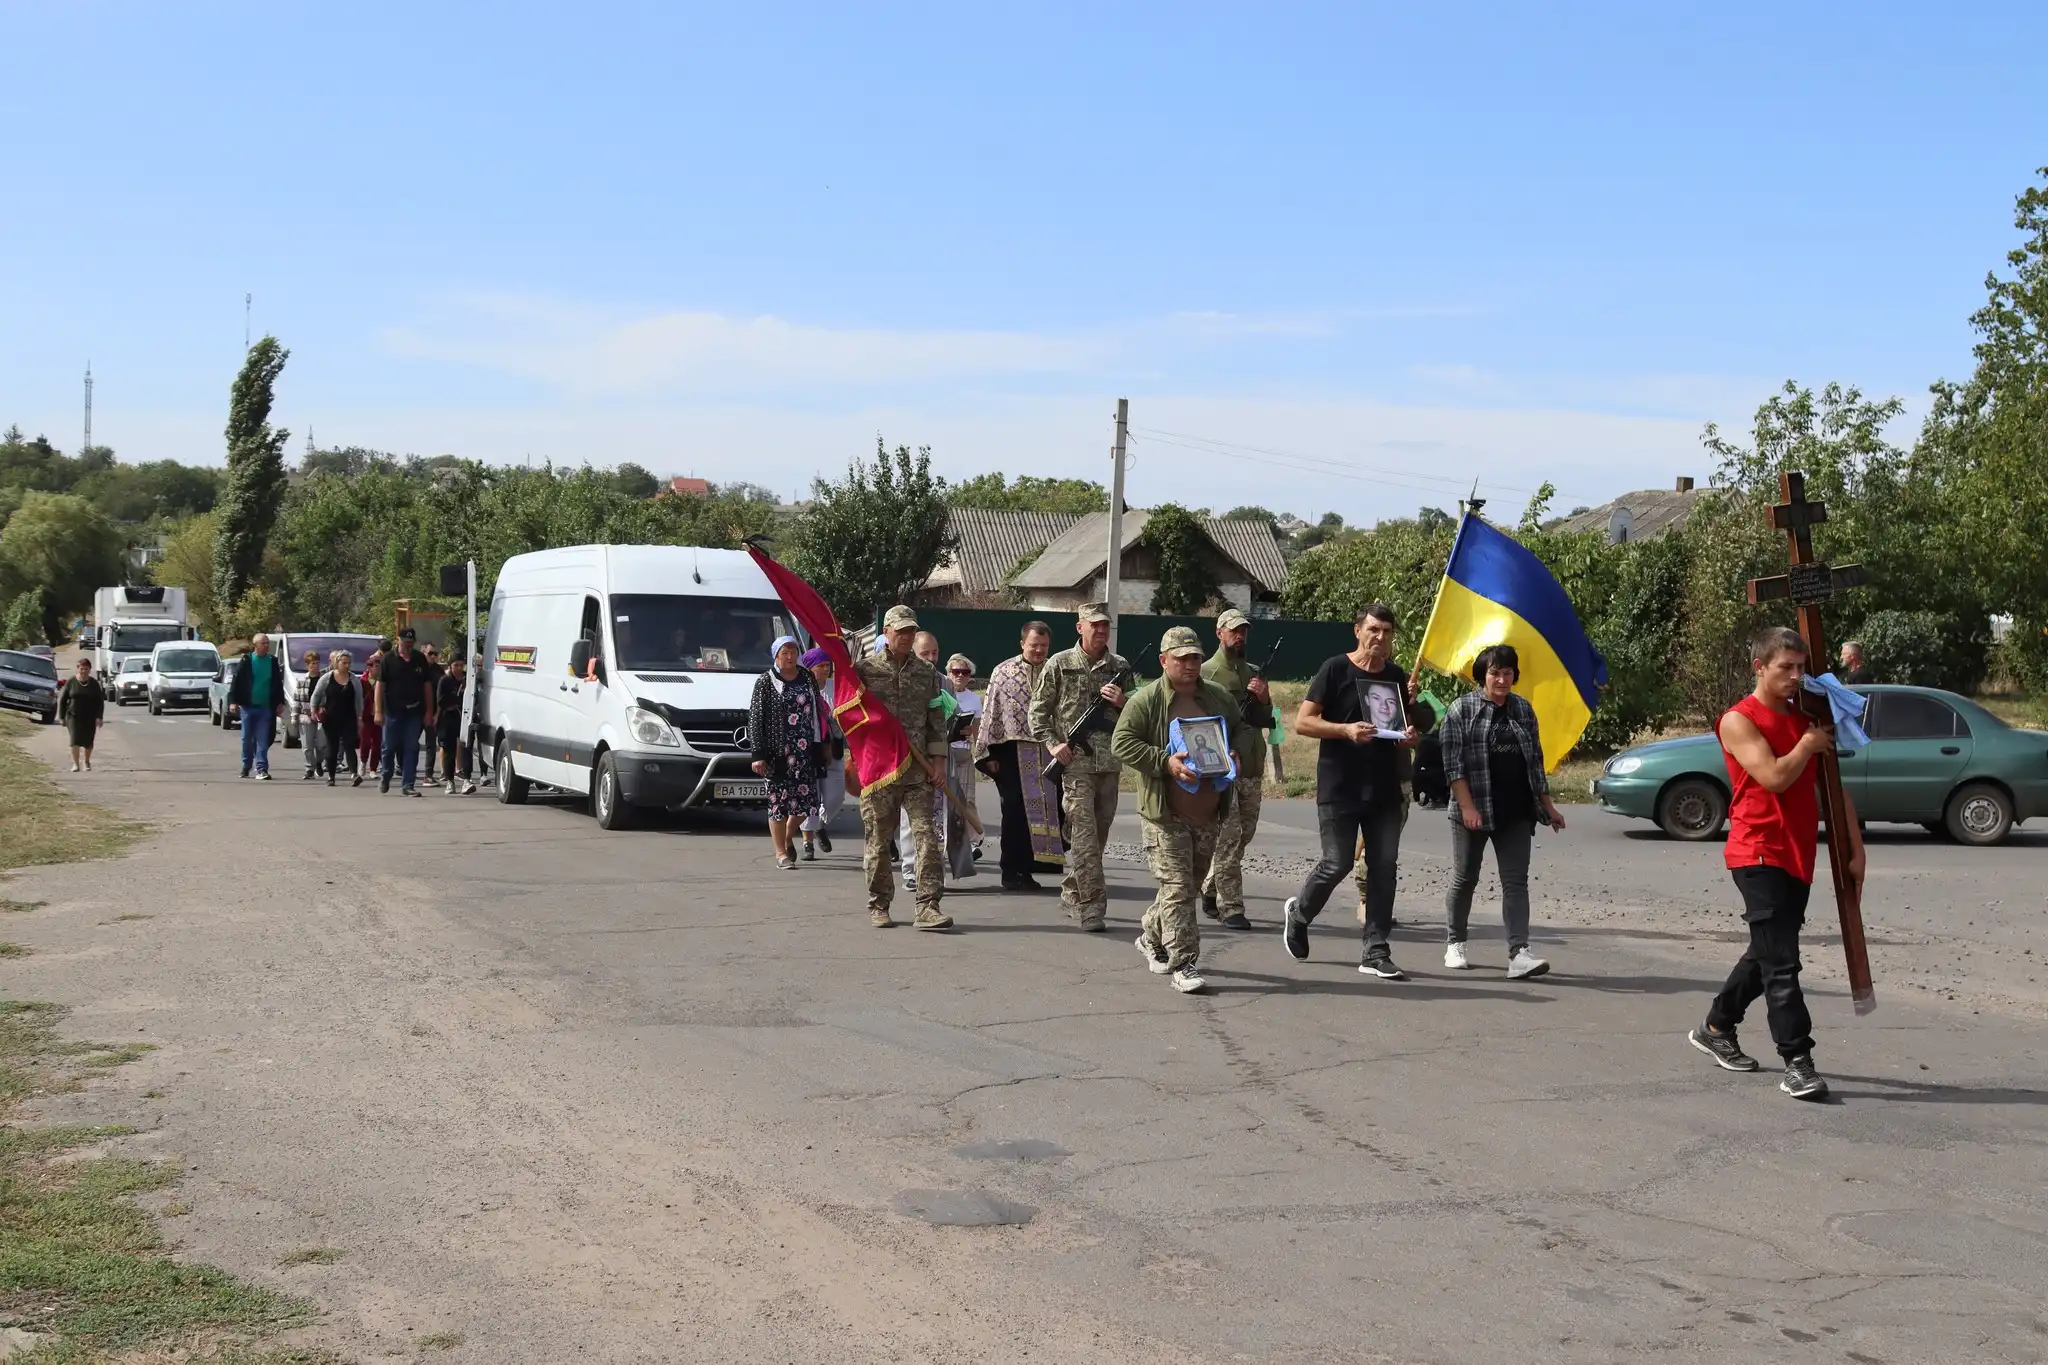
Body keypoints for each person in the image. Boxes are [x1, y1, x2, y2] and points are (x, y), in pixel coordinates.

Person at [1689, 626, 1862, 1102]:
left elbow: (1834, 786)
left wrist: (1855, 848)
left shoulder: (1807, 718)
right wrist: (1807, 744)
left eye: (1801, 668)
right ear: (1759, 667)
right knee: (1783, 962)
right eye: (1786, 667)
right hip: (1756, 850)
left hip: (1797, 852)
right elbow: (1773, 777)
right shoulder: (1739, 720)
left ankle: (1716, 1026)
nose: (1795, 676)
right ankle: (1798, 1063)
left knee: (1767, 951)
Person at [1281, 604, 1421, 980]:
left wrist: (1409, 736)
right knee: (1338, 862)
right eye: (1373, 629)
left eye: (1387, 631)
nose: (1380, 637)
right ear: (1358, 631)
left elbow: (1401, 729)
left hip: (1384, 788)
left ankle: (1375, 949)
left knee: (1384, 868)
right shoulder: (1335, 669)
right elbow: (1303, 722)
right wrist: (1345, 730)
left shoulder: (1395, 675)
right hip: (1340, 785)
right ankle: (1300, 913)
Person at [1112, 626, 1241, 994]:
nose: (1189, 664)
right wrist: (1164, 762)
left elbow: (1242, 730)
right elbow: (1122, 742)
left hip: (1208, 811)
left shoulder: (1216, 697)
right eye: (1181, 658)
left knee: (1186, 888)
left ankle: (1150, 936)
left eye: (1195, 657)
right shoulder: (1147, 700)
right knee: (1179, 888)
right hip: (1164, 815)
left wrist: (1236, 754)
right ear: (1163, 660)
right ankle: (1183, 963)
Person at [1439, 644, 1568, 978]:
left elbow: (1535, 763)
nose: (1501, 679)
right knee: (1465, 877)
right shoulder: (1461, 710)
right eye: (1495, 673)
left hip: (1515, 811)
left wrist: (1548, 807)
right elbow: (1453, 767)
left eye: (1507, 673)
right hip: (1474, 810)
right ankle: (1455, 942)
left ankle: (1519, 952)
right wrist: (1467, 807)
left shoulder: (1523, 709)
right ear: (1482, 675)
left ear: (1514, 675)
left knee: (1516, 882)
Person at [1029, 603, 1129, 932]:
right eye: (1094, 625)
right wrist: (1053, 745)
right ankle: (1091, 907)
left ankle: (1073, 889)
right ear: (1080, 627)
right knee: (1084, 836)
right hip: (1074, 765)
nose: (1101, 631)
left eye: (1105, 626)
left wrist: (1122, 702)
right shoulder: (1060, 663)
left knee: (1097, 837)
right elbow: (1037, 712)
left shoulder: (1120, 666)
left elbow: (1136, 715)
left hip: (1109, 764)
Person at [853, 606, 952, 929]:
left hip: (917, 769)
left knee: (927, 837)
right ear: (886, 632)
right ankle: (879, 904)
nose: (907, 637)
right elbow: (848, 717)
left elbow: (936, 719)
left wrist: (939, 762)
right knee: (879, 841)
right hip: (879, 771)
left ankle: (928, 906)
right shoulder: (864, 671)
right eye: (901, 631)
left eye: (911, 631)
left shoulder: (926, 672)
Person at [973, 621, 1064, 891]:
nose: (1039, 650)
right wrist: (989, 753)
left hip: (1048, 750)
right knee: (1015, 812)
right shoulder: (1003, 672)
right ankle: (1012, 871)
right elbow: (991, 714)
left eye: (1044, 646)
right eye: (1034, 645)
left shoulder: (1055, 670)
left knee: (1052, 809)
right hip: (1011, 752)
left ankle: (1036, 864)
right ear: (1022, 643)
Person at [1197, 609, 1270, 931]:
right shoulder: (1206, 673)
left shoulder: (1254, 672)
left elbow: (1266, 719)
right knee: (1229, 836)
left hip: (1252, 766)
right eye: (1234, 631)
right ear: (1220, 633)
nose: (1239, 636)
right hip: (1223, 768)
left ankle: (1210, 886)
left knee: (1245, 834)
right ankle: (1231, 907)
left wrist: (1264, 698)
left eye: (1244, 631)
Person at [749, 635, 824, 870]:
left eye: (793, 652)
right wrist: (758, 754)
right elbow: (756, 719)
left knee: (808, 803)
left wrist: (819, 744)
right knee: (777, 803)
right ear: (776, 656)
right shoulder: (765, 681)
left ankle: (788, 835)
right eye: (785, 653)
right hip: (777, 753)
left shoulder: (807, 677)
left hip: (804, 750)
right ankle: (781, 853)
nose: (790, 657)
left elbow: (817, 712)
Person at [375, 627, 437, 796]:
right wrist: (378, 711)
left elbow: (427, 686)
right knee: (389, 747)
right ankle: (386, 775)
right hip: (392, 711)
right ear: (398, 641)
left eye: (411, 643)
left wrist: (429, 711)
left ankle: (408, 784)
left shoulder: (419, 659)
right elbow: (380, 685)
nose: (408, 645)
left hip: (414, 711)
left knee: (411, 747)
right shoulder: (388, 659)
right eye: (405, 642)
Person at [798, 646, 846, 861]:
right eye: (821, 666)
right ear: (809, 668)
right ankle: (807, 843)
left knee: (836, 796)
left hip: (834, 749)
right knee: (811, 798)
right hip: (809, 751)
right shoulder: (801, 689)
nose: (826, 669)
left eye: (828, 665)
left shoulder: (837, 688)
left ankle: (820, 824)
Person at [940, 653, 983, 881]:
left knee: (967, 799)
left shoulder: (974, 700)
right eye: (955, 672)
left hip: (963, 751)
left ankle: (974, 841)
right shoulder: (940, 693)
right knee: (944, 802)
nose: (959, 676)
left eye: (964, 672)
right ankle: (944, 842)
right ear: (948, 673)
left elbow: (977, 732)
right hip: (942, 753)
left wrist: (979, 753)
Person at [229, 632, 287, 780]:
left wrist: (280, 701)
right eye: (263, 643)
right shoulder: (247, 660)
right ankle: (246, 765)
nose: (266, 646)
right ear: (255, 645)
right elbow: (237, 681)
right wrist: (233, 701)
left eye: (267, 643)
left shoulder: (272, 661)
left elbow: (277, 683)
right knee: (247, 739)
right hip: (248, 706)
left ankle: (261, 769)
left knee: (263, 739)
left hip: (266, 707)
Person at [312, 650, 365, 787]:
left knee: (349, 745)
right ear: (337, 663)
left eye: (349, 663)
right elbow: (316, 695)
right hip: (331, 718)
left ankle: (354, 774)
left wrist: (360, 718)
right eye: (344, 663)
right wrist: (314, 710)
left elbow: (359, 700)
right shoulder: (327, 678)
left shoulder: (354, 680)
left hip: (349, 718)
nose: (347, 665)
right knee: (332, 746)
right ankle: (331, 776)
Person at [56, 658, 106, 772]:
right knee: (75, 740)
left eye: (86, 669)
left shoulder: (94, 684)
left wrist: (99, 717)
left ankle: (87, 761)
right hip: (73, 716)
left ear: (90, 670)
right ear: (78, 669)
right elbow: (63, 700)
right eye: (81, 669)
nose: (83, 671)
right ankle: (75, 764)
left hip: (90, 717)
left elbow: (100, 702)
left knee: (88, 742)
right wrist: (61, 717)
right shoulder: (71, 682)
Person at [434, 654, 474, 795]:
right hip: (448, 719)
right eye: (455, 665)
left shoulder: (468, 680)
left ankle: (467, 780)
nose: (458, 668)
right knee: (449, 751)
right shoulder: (445, 680)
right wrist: (455, 703)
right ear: (450, 666)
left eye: (461, 665)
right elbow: (440, 700)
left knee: (466, 748)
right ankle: (450, 781)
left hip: (465, 718)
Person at [357, 640, 389, 776]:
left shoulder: (383, 681)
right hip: (365, 715)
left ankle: (373, 768)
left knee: (377, 742)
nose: (378, 669)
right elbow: (358, 698)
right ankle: (363, 762)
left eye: (380, 666)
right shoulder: (361, 681)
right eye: (376, 666)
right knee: (365, 741)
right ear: (369, 668)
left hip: (378, 714)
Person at [296, 649, 325, 780]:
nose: (315, 666)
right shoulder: (302, 680)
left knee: (321, 744)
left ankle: (318, 762)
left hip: (321, 716)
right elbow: (296, 699)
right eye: (313, 663)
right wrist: (294, 716)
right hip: (306, 716)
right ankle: (309, 769)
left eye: (317, 663)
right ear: (307, 665)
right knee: (307, 746)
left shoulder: (324, 679)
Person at [420, 644, 446, 786]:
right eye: (430, 653)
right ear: (423, 653)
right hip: (416, 712)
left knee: (431, 744)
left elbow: (442, 695)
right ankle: (406, 771)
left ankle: (428, 775)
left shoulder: (438, 671)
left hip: (433, 713)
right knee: (409, 743)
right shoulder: (416, 667)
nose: (434, 656)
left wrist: (437, 714)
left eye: (436, 653)